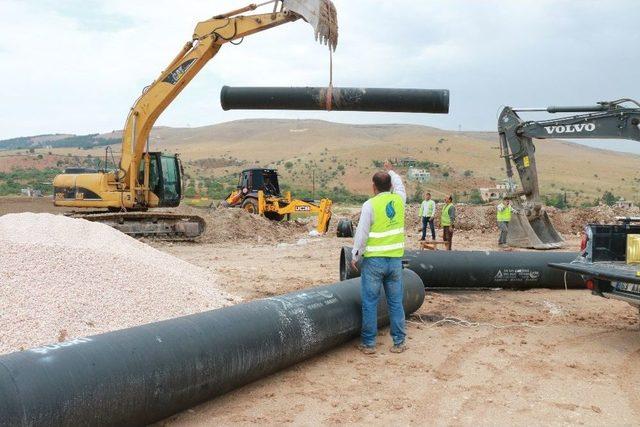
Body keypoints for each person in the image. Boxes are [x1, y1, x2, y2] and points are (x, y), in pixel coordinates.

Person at [351, 160, 407, 354]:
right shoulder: (400, 200)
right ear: (390, 186)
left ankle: (369, 344)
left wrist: (355, 255)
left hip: (374, 262)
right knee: (395, 302)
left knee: (370, 302)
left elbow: (362, 234)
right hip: (395, 261)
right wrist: (391, 170)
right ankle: (399, 342)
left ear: (373, 187)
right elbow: (400, 185)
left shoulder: (369, 205)